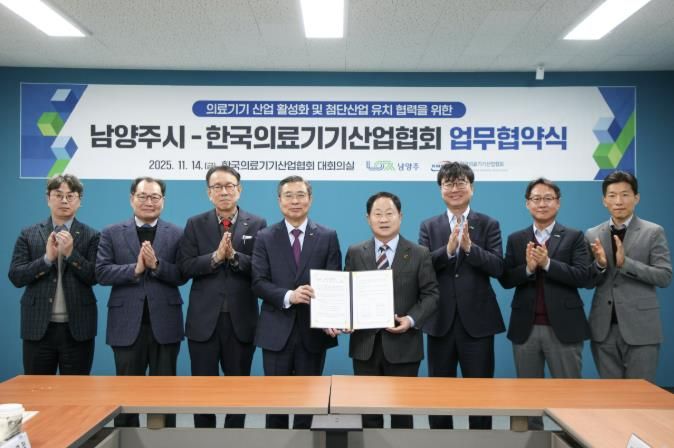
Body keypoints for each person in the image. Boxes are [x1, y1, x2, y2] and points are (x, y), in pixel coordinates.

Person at [499, 178, 592, 429]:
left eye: (548, 198)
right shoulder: (517, 238)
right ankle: (533, 438)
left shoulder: (574, 236)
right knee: (529, 396)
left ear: (558, 203)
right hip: (526, 327)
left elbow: (583, 276)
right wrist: (529, 268)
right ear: (527, 204)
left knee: (569, 394)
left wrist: (548, 264)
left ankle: (573, 437)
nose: (542, 204)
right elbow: (506, 279)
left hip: (564, 327)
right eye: (537, 199)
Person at [178, 166, 267, 428]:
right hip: (203, 321)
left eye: (229, 186)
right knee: (202, 388)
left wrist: (235, 257)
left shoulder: (258, 224)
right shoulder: (195, 224)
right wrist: (215, 258)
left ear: (239, 190)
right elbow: (185, 266)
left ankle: (234, 436)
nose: (224, 191)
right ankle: (203, 437)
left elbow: (262, 267)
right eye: (217, 187)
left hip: (241, 320)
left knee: (238, 388)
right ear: (209, 193)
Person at [418, 161, 504, 430]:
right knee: (439, 394)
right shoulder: (429, 226)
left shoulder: (488, 224)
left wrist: (469, 248)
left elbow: (498, 267)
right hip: (440, 320)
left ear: (471, 188)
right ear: (440, 189)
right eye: (448, 184)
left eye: (460, 183)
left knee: (480, 394)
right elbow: (422, 268)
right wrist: (448, 250)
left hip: (478, 323)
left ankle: (481, 441)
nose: (454, 189)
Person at [252, 175, 341, 429]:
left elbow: (334, 280)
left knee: (309, 402)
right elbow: (258, 282)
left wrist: (333, 317)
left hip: (313, 332)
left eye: (300, 195)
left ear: (310, 199)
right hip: (275, 332)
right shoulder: (265, 236)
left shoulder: (327, 236)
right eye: (288, 195)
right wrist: (289, 296)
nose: (295, 201)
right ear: (279, 201)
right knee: (276, 403)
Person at [96, 177, 185, 427]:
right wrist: (134, 269)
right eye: (143, 196)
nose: (149, 202)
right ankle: (126, 438)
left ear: (163, 200)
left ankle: (164, 440)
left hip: (165, 324)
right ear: (131, 198)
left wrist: (156, 265)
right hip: (125, 324)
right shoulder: (111, 232)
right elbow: (101, 272)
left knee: (165, 394)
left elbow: (182, 274)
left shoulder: (177, 233)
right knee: (126, 393)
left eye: (155, 197)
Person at [346, 192, 438, 429]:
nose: (383, 219)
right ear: (368, 218)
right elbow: (347, 293)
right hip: (365, 346)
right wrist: (345, 318)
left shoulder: (419, 253)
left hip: (404, 347)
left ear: (400, 216)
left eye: (389, 213)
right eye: (377, 214)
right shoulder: (355, 252)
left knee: (402, 416)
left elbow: (431, 294)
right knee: (368, 414)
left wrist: (411, 319)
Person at [9, 174, 99, 375]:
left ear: (79, 201)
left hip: (78, 328)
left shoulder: (92, 235)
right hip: (38, 326)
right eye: (58, 195)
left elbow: (94, 276)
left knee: (76, 390)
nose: (64, 200)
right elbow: (16, 276)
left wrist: (71, 254)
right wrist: (46, 259)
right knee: (36, 389)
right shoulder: (29, 234)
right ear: (48, 198)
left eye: (70, 196)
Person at [586, 171, 672, 381]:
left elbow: (664, 276)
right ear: (604, 200)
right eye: (612, 195)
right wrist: (600, 265)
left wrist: (627, 264)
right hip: (603, 329)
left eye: (625, 194)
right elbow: (587, 281)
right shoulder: (592, 234)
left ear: (636, 197)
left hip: (641, 328)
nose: (618, 201)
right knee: (611, 395)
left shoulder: (653, 232)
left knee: (640, 394)